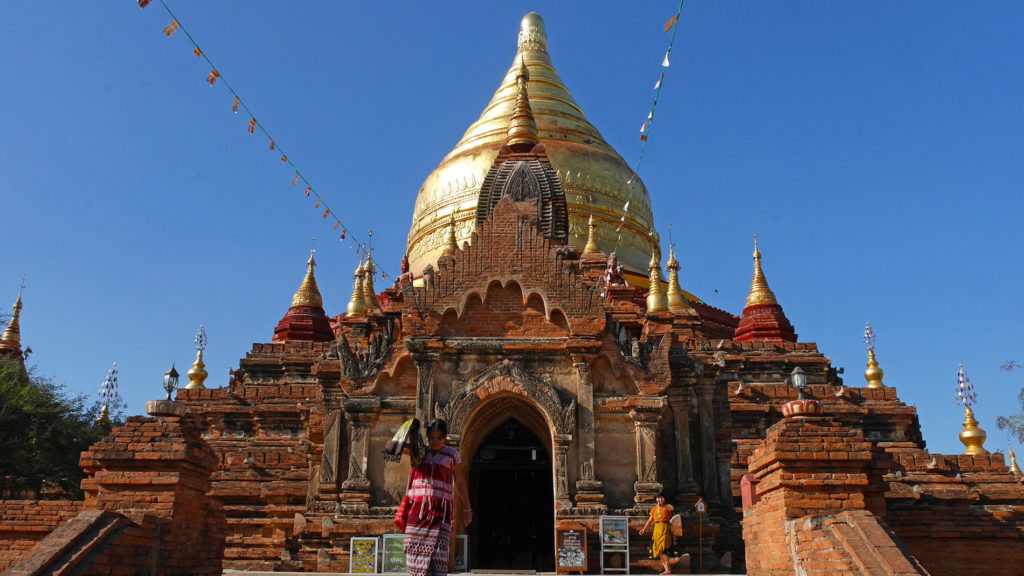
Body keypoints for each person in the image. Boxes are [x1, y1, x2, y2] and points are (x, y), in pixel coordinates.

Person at [402, 418, 471, 576]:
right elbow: (392, 447)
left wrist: (468, 508)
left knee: (439, 556)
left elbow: (459, 481)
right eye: (431, 437)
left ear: (444, 437)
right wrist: (409, 430)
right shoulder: (419, 452)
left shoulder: (451, 455)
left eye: (439, 437)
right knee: (414, 554)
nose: (435, 441)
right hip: (418, 512)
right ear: (427, 437)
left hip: (441, 513)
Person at [639, 492, 679, 575]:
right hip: (657, 529)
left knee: (663, 548)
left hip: (664, 528)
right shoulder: (654, 509)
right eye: (658, 498)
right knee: (658, 550)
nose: (660, 500)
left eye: (662, 498)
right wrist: (644, 529)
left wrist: (663, 505)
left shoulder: (668, 507)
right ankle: (667, 569)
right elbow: (650, 520)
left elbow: (672, 508)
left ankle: (667, 569)